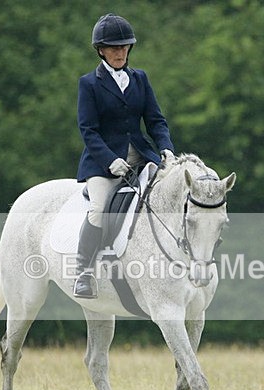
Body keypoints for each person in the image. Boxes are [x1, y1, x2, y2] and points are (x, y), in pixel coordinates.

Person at [73, 13, 175, 299]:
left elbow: (155, 120)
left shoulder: (139, 79)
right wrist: (109, 160)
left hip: (142, 157)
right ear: (101, 50)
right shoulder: (89, 84)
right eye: (114, 48)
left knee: (171, 194)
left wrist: (166, 147)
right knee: (98, 209)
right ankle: (83, 272)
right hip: (102, 163)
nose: (120, 52)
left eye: (124, 47)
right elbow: (88, 130)